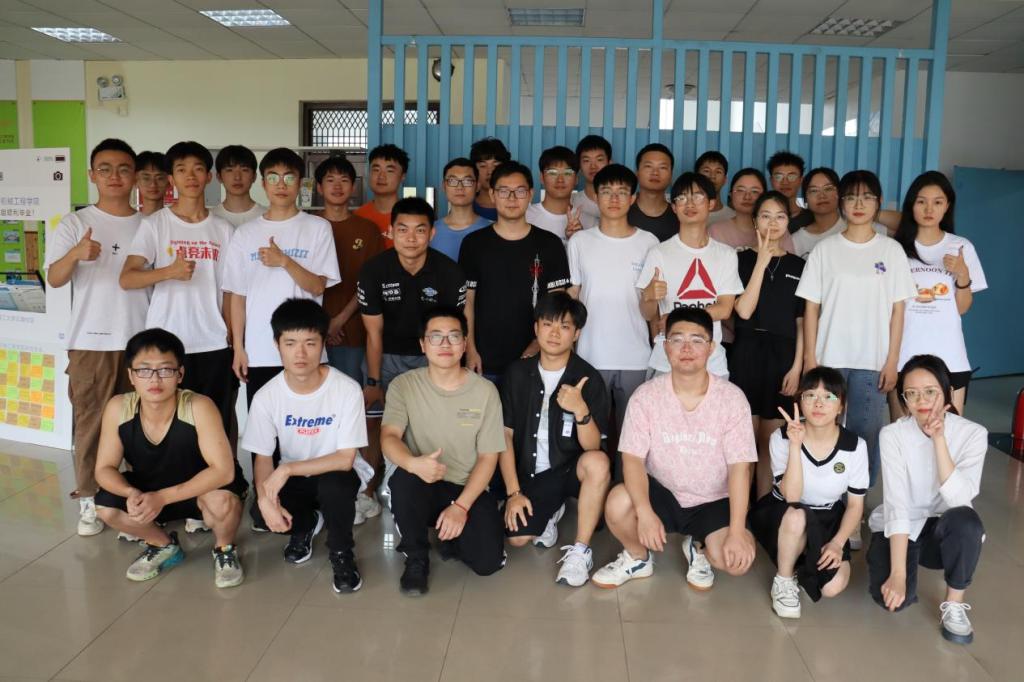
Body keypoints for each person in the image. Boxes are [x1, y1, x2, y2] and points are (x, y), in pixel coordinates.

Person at [592, 307, 757, 589]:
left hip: (714, 500)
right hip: (663, 493)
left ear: (711, 347)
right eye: (678, 340)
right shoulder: (645, 396)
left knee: (734, 561)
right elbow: (632, 460)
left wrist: (738, 531)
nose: (687, 348)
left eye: (697, 340)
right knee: (618, 503)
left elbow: (741, 469)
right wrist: (644, 512)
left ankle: (699, 547)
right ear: (666, 347)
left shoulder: (732, 399)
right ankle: (637, 557)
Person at [221, 147, 340, 528]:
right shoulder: (245, 234)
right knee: (265, 434)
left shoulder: (317, 228)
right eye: (272, 177)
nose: (281, 184)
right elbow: (237, 296)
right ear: (262, 183)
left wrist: (285, 260)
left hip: (306, 351)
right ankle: (267, 503)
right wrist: (239, 347)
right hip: (260, 351)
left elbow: (318, 285)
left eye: (289, 177)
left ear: (300, 183)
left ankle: (308, 502)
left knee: (307, 430)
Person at [45, 138, 149, 536]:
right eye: (105, 169)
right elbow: (55, 279)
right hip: (91, 341)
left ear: (135, 176)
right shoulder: (75, 224)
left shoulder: (149, 223)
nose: (114, 176)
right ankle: (89, 499)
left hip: (141, 340)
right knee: (91, 423)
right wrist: (75, 254)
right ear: (92, 175)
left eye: (123, 169)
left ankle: (136, 502)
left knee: (142, 425)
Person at [93, 329, 248, 587]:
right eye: (144, 370)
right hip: (150, 488)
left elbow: (223, 471)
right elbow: (104, 469)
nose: (155, 379)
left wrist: (162, 498)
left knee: (222, 502)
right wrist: (130, 493)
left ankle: (224, 549)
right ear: (131, 376)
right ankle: (162, 544)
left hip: (200, 489)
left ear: (180, 374)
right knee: (106, 507)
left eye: (165, 369)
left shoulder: (199, 406)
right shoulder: (119, 407)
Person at [797, 169, 917, 492]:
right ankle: (826, 496)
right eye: (851, 197)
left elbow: (898, 311)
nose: (858, 204)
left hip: (872, 361)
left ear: (878, 202)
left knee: (866, 435)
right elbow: (811, 308)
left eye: (866, 197)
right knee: (823, 431)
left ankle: (857, 500)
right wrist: (810, 359)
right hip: (829, 358)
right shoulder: (825, 249)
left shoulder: (890, 251)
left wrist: (892, 361)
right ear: (841, 203)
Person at [244, 299, 370, 593]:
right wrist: (265, 500)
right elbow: (263, 459)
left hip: (337, 472)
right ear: (277, 345)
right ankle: (305, 525)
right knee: (261, 510)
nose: (300, 354)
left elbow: (345, 458)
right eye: (290, 343)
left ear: (323, 344)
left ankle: (341, 551)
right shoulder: (266, 397)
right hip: (297, 477)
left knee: (335, 486)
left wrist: (286, 469)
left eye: (310, 343)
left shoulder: (346, 389)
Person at [381, 306, 507, 595]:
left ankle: (450, 536)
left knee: (487, 563)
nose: (445, 344)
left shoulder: (485, 391)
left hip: (467, 487)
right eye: (436, 337)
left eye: (454, 336)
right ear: (423, 345)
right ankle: (416, 557)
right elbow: (389, 437)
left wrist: (461, 507)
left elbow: (489, 457)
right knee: (403, 479)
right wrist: (413, 463)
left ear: (464, 343)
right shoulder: (404, 385)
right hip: (423, 481)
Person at [867, 355, 987, 645]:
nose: (922, 400)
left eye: (930, 391)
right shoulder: (893, 434)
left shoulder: (973, 434)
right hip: (905, 525)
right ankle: (899, 562)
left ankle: (954, 604)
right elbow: (897, 503)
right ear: (903, 400)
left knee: (967, 522)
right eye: (912, 393)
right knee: (891, 600)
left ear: (947, 393)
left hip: (945, 528)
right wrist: (898, 574)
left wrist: (939, 440)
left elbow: (961, 499)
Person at [120, 141, 236, 436]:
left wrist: (233, 336)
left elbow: (230, 289)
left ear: (209, 177)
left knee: (215, 423)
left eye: (198, 169)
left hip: (213, 342)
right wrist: (169, 271)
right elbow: (127, 278)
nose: (191, 176)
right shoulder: (156, 224)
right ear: (172, 179)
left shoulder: (223, 229)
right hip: (167, 343)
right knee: (170, 425)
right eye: (182, 170)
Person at [500, 293, 611, 587]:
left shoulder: (588, 377)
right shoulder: (516, 373)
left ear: (576, 334)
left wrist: (581, 410)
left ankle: (580, 551)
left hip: (569, 470)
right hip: (530, 473)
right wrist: (513, 493)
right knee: (518, 538)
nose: (554, 333)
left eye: (564, 326)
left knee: (598, 463)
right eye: (547, 324)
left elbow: (593, 448)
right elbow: (505, 436)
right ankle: (551, 509)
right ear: (536, 328)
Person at [749, 367, 868, 619]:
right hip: (783, 512)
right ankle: (784, 579)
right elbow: (792, 497)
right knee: (797, 516)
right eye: (810, 395)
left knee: (833, 586)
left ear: (841, 406)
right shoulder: (782, 437)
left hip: (828, 516)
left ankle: (801, 559)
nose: (818, 404)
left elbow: (855, 505)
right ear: (800, 402)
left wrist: (837, 543)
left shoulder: (855, 446)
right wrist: (795, 445)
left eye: (828, 397)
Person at [316, 154, 385, 524]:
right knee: (320, 415)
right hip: (312, 338)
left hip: (355, 332)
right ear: (318, 187)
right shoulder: (308, 226)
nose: (338, 186)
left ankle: (364, 490)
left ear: (353, 187)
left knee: (361, 414)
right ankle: (325, 487)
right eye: (330, 180)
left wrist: (338, 319)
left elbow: (368, 283)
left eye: (345, 179)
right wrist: (321, 325)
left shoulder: (367, 230)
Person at [567, 164, 657, 443]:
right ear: (595, 197)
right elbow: (572, 297)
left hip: (636, 356)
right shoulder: (579, 241)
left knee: (633, 439)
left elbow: (652, 309)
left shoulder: (649, 242)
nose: (614, 198)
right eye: (606, 191)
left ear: (633, 198)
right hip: (590, 355)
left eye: (622, 192)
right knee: (593, 436)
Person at [459, 161, 570, 381]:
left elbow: (557, 303)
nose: (511, 198)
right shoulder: (474, 244)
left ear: (530, 194)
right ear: (492, 194)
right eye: (503, 191)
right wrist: (470, 350)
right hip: (483, 361)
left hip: (535, 360)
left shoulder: (549, 244)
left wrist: (538, 343)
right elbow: (467, 301)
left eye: (519, 191)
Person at [729, 191, 805, 496]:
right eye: (765, 216)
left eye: (780, 216)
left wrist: (797, 368)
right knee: (744, 443)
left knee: (770, 442)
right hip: (747, 352)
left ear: (788, 222)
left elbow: (802, 322)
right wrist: (761, 262)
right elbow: (744, 311)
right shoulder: (739, 260)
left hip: (784, 356)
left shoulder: (799, 266)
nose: (773, 223)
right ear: (754, 221)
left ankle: (762, 505)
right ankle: (740, 507)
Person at [894, 171, 986, 415]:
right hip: (902, 354)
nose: (929, 209)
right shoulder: (895, 248)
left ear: (947, 206)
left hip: (950, 355)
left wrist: (962, 275)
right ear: (911, 205)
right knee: (902, 431)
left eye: (937, 202)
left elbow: (962, 308)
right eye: (921, 201)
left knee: (949, 430)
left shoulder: (961, 246)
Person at [637, 172, 742, 379]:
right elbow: (648, 314)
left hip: (711, 360)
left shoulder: (726, 255)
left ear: (711, 203)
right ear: (674, 207)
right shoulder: (659, 253)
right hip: (667, 360)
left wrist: (677, 320)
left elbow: (724, 309)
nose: (690, 203)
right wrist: (648, 296)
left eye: (698, 196)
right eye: (682, 198)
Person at [792, 167, 889, 259]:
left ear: (840, 194)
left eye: (828, 188)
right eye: (814, 191)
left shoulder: (865, 227)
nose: (822, 195)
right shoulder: (796, 240)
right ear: (805, 198)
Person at [709, 168, 796, 254]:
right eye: (740, 190)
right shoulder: (716, 231)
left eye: (755, 191)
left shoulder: (776, 230)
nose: (747, 197)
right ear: (731, 194)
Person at [431, 157, 491, 261]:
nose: (460, 187)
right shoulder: (430, 231)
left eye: (467, 181)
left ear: (477, 186)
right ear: (444, 186)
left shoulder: (491, 230)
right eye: (452, 181)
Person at [525, 145, 583, 243]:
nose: (560, 180)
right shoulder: (525, 217)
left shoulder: (588, 220)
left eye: (567, 173)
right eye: (552, 173)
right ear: (542, 177)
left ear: (576, 179)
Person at [356, 143, 409, 248]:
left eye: (389, 171)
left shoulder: (413, 217)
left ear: (403, 176)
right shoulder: (358, 217)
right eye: (376, 170)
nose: (381, 176)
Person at [628, 143, 678, 242]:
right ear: (637, 173)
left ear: (671, 176)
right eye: (648, 166)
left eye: (662, 167)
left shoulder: (680, 215)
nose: (655, 173)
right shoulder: (622, 211)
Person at [211, 145, 266, 229]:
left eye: (244, 170)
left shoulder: (267, 216)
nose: (237, 177)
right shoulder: (210, 218)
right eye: (229, 170)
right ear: (219, 177)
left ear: (254, 177)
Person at [572, 135, 612, 229]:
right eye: (586, 160)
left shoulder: (619, 202)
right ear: (579, 167)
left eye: (599, 160)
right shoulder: (572, 202)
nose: (593, 166)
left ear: (609, 164)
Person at [767, 151, 813, 233]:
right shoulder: (761, 217)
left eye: (792, 176)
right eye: (778, 177)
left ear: (801, 180)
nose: (785, 182)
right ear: (771, 180)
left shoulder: (811, 218)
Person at [469, 137, 511, 221]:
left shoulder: (515, 205)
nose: (490, 171)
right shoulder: (466, 206)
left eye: (496, 165)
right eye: (483, 166)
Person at [695, 151, 734, 223]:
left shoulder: (733, 217)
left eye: (718, 172)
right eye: (706, 171)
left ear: (725, 180)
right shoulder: (686, 214)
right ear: (696, 177)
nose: (712, 176)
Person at [134, 151, 169, 216]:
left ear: (169, 181)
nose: (153, 184)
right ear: (135, 181)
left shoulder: (177, 220)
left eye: (160, 178)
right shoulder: (130, 220)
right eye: (146, 178)